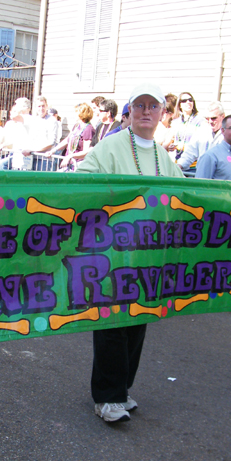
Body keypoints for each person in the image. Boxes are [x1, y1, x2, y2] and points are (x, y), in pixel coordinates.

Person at [76, 83, 184, 423]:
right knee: (111, 321)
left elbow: (185, 193)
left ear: (163, 114)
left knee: (138, 319)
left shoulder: (162, 155)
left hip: (147, 255)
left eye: (154, 106)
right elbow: (82, 182)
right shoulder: (111, 145)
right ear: (130, 111)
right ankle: (106, 397)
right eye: (140, 106)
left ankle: (121, 388)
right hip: (113, 251)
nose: (147, 112)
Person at [178, 101, 225, 174]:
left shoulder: (228, 134)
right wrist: (179, 166)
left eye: (213, 118)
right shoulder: (202, 130)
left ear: (223, 117)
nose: (210, 121)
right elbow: (190, 152)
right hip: (202, 174)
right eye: (207, 118)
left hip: (220, 176)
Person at [50, 103, 96, 171]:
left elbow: (86, 151)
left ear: (81, 114)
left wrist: (71, 156)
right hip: (69, 164)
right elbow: (67, 140)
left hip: (78, 165)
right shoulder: (77, 126)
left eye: (76, 112)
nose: (74, 114)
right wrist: (54, 150)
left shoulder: (88, 129)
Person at [170, 91, 202, 161]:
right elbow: (172, 140)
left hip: (193, 164)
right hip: (178, 161)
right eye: (184, 101)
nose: (188, 102)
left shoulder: (200, 121)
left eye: (190, 100)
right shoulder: (176, 122)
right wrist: (172, 146)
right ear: (179, 105)